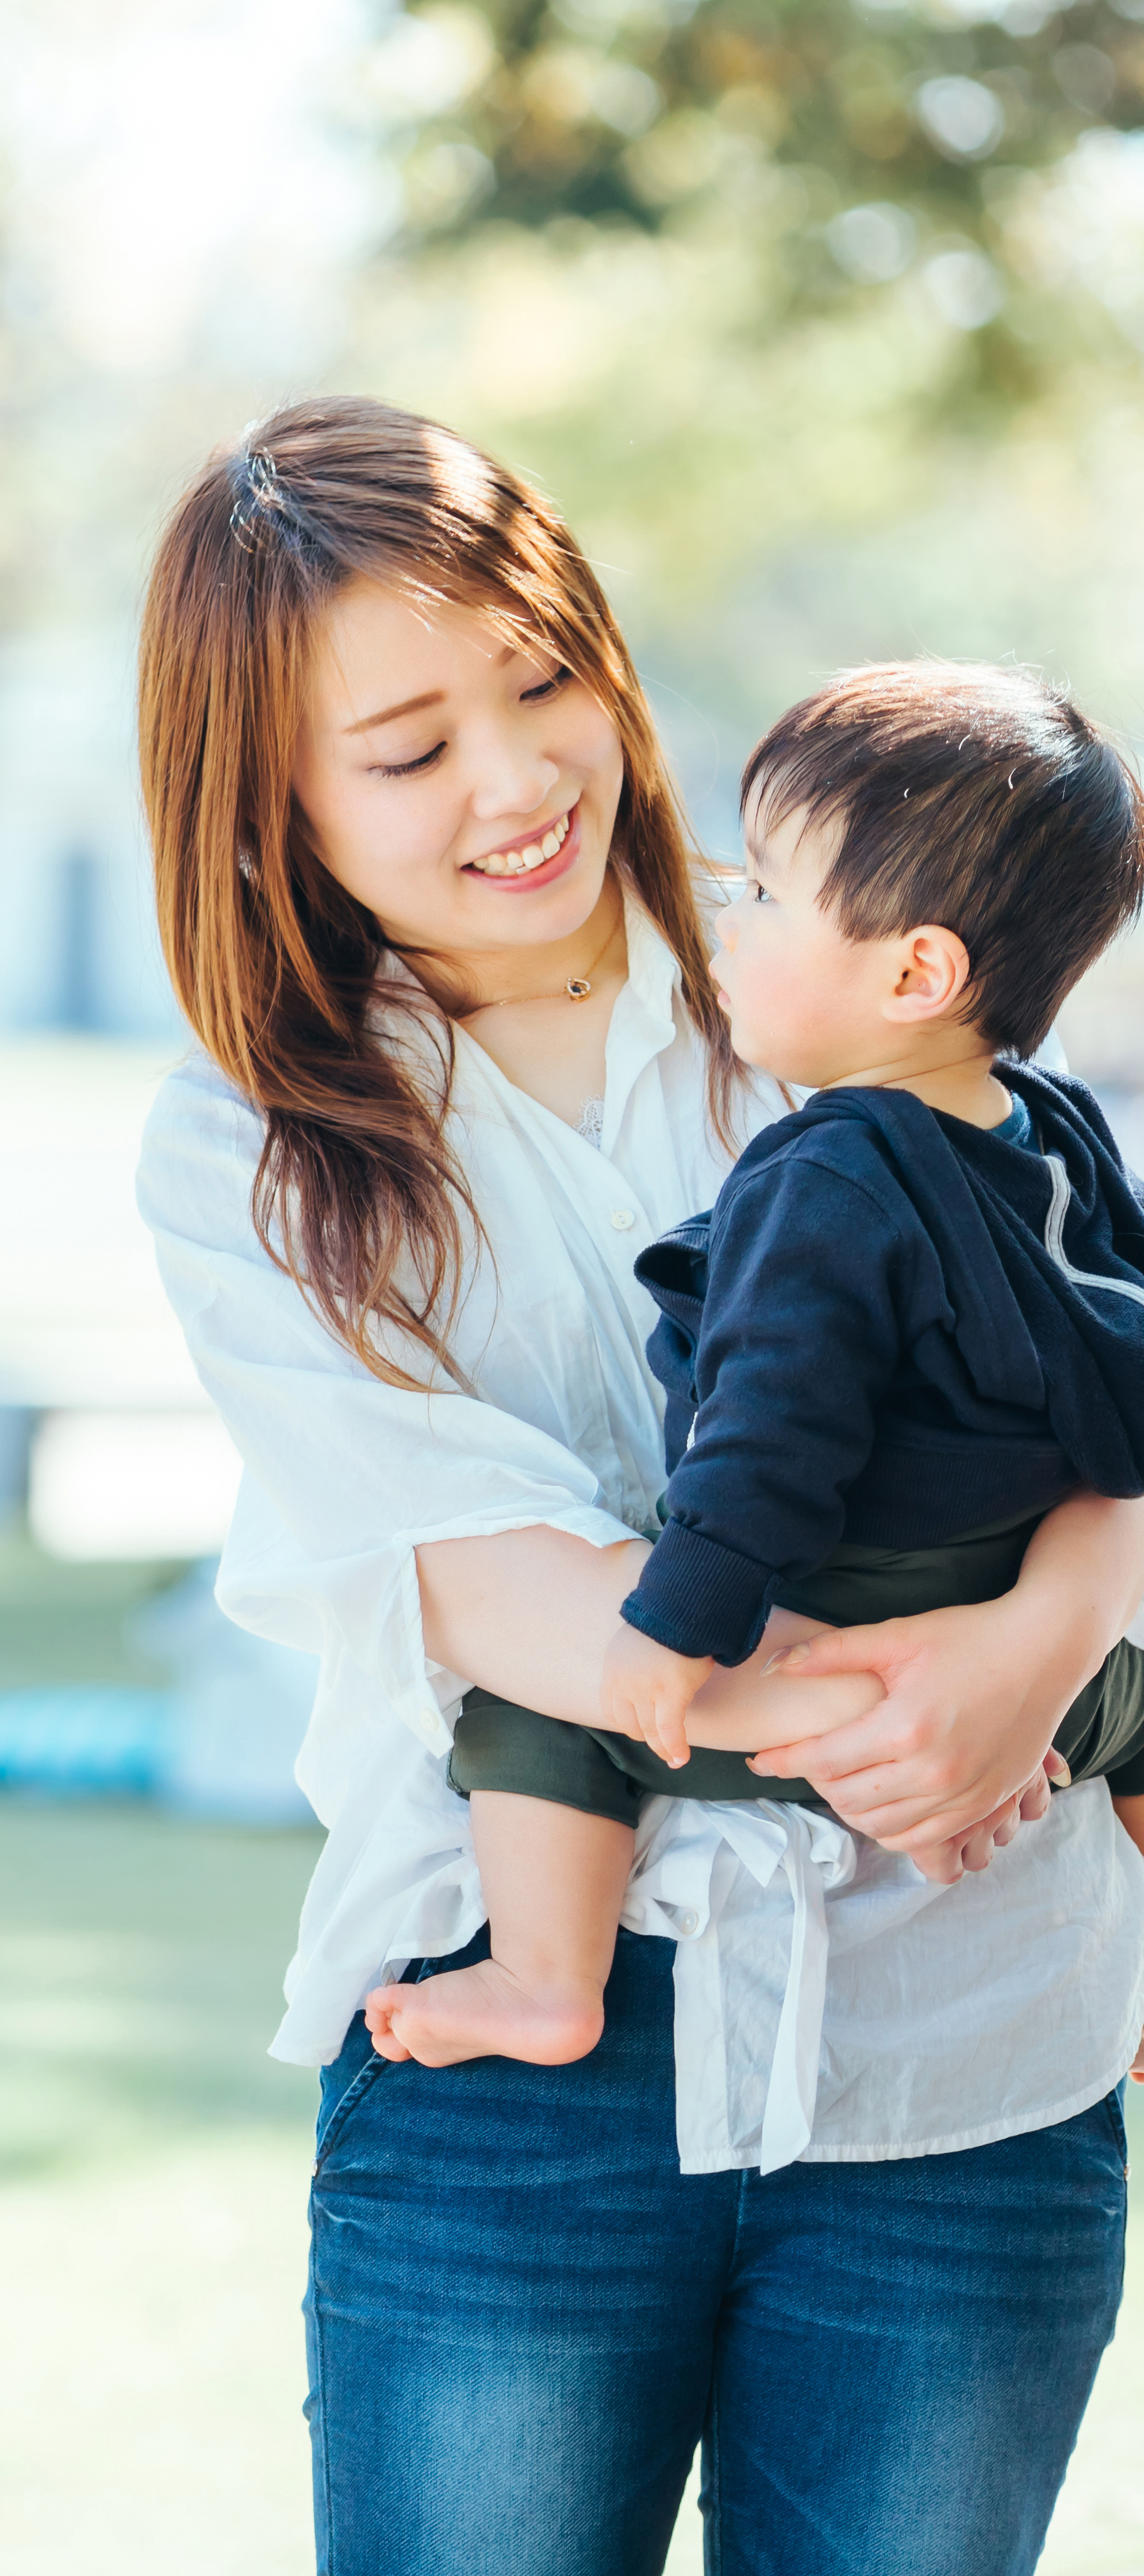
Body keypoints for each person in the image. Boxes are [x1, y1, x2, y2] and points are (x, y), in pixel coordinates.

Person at [134, 395, 1144, 2576]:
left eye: (540, 679)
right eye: (404, 751)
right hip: (516, 2075)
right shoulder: (250, 1144)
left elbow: (1090, 1346)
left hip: (966, 2044)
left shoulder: (852, 950)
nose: (514, 782)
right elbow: (490, 1583)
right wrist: (892, 1717)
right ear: (263, 804)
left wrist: (1044, 1651)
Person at [383, 662, 1144, 2072]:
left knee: (534, 1713)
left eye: (771, 895)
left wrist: (668, 1634)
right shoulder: (1054, 1128)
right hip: (1039, 1652)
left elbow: (766, 1436)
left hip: (842, 1640)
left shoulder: (829, 1172)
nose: (727, 916)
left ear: (915, 970)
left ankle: (546, 1976)